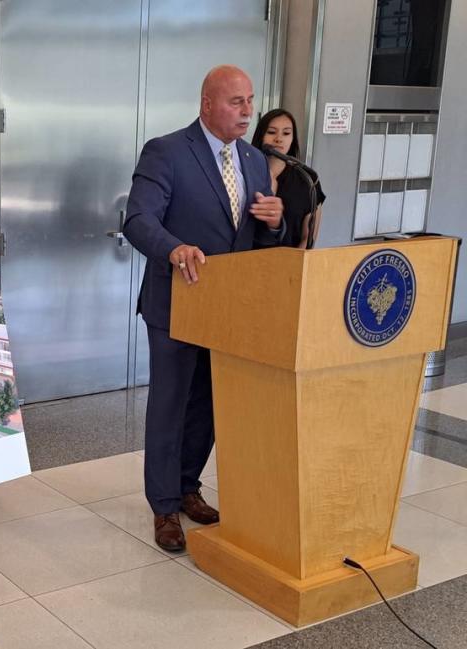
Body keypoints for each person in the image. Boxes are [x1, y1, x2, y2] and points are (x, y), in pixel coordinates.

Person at [122, 65, 285, 552]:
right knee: (171, 405)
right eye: (237, 102)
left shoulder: (256, 161)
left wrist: (275, 221)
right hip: (176, 303)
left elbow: (255, 237)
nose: (247, 111)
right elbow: (137, 219)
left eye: (250, 101)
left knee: (209, 407)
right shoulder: (167, 151)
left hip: (229, 312)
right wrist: (173, 248)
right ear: (208, 104)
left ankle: (188, 486)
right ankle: (165, 507)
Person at [251, 108, 326, 248]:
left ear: (293, 139)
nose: (278, 139)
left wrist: (293, 267)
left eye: (286, 133)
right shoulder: (244, 171)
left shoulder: (307, 178)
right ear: (260, 135)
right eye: (271, 132)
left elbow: (308, 238)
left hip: (291, 264)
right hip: (246, 261)